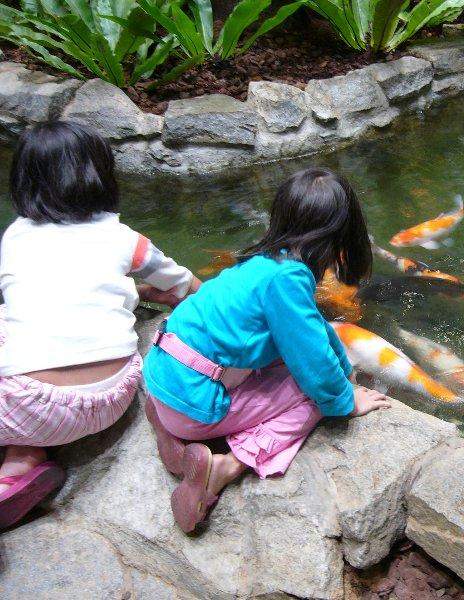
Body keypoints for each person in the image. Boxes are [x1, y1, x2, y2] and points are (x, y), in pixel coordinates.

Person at [143, 167, 391, 533]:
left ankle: (170, 432)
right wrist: (346, 400)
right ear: (343, 232)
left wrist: (344, 364)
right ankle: (225, 468)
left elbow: (316, 330)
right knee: (315, 398)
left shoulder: (262, 264)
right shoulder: (289, 280)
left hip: (163, 379)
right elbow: (316, 369)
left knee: (291, 367)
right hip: (192, 407)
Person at [0, 121, 200, 528]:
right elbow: (191, 288)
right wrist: (145, 291)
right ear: (101, 177)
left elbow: (44, 295)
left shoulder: (16, 236)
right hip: (112, 397)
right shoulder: (126, 239)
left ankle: (21, 456)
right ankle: (21, 464)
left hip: (24, 404)